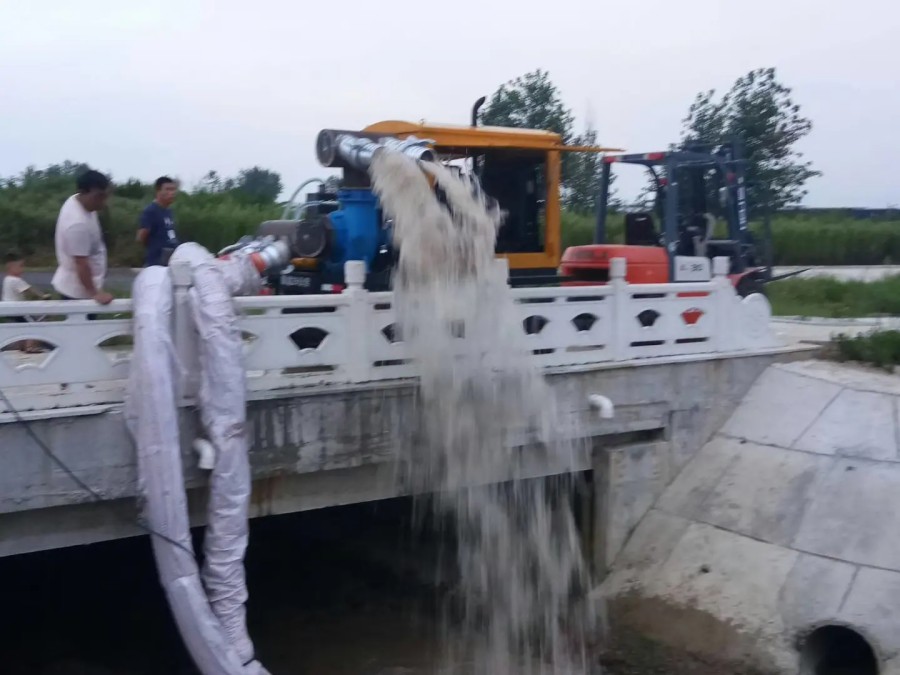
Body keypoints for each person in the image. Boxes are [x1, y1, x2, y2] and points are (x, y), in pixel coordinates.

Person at [51, 170, 114, 305]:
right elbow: (81, 263)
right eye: (98, 197)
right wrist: (95, 294)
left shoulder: (79, 201)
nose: (102, 202)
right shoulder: (77, 224)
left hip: (86, 285)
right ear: (83, 192)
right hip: (79, 293)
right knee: (82, 326)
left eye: (105, 196)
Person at [2, 251, 51, 353]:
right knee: (33, 325)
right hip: (17, 309)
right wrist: (43, 296)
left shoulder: (7, 279)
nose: (22, 269)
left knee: (21, 327)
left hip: (7, 308)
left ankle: (21, 345)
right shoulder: (16, 280)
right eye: (20, 266)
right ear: (11, 267)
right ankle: (30, 347)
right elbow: (29, 289)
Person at [137, 176, 180, 266]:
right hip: (156, 262)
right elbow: (141, 237)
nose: (172, 193)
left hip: (171, 260)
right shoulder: (151, 211)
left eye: (173, 190)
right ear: (158, 191)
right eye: (168, 189)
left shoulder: (168, 211)